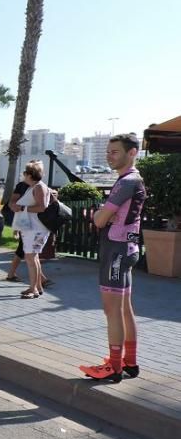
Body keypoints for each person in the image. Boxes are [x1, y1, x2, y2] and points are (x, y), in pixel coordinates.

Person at [80, 134, 146, 383]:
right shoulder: (134, 179)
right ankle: (129, 361)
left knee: (112, 311)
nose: (109, 155)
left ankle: (115, 367)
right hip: (128, 247)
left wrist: (98, 213)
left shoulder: (125, 182)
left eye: (115, 151)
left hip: (116, 251)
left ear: (132, 153)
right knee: (125, 309)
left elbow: (99, 220)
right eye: (108, 151)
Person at [9, 160, 51, 299]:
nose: (23, 176)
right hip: (32, 228)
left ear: (29, 174)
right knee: (34, 258)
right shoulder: (34, 186)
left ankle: (33, 288)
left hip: (36, 228)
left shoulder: (38, 187)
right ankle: (37, 287)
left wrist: (22, 208)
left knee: (30, 258)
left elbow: (42, 207)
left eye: (25, 173)